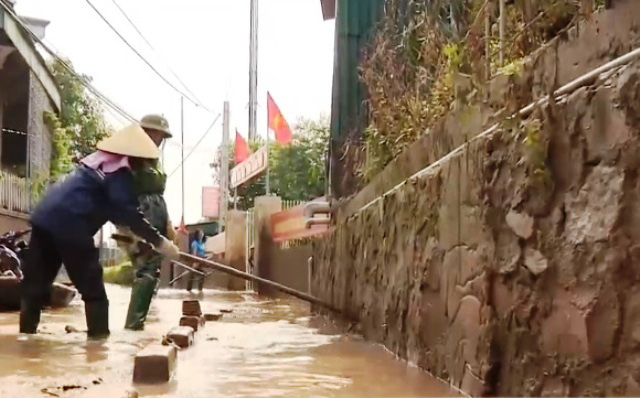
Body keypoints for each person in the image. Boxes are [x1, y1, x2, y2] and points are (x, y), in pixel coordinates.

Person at [20, 124, 180, 339]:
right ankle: (98, 344)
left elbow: (116, 213)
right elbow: (129, 212)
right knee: (93, 289)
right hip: (72, 224)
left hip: (45, 219)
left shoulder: (96, 166)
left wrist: (134, 239)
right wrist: (160, 242)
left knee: (35, 286)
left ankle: (26, 338)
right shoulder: (120, 173)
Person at [122, 114, 175, 331]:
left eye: (162, 136)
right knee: (146, 269)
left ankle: (139, 324)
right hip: (140, 214)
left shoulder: (154, 158)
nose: (159, 139)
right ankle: (133, 327)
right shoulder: (131, 156)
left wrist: (168, 223)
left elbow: (157, 193)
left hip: (157, 212)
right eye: (156, 134)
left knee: (153, 271)